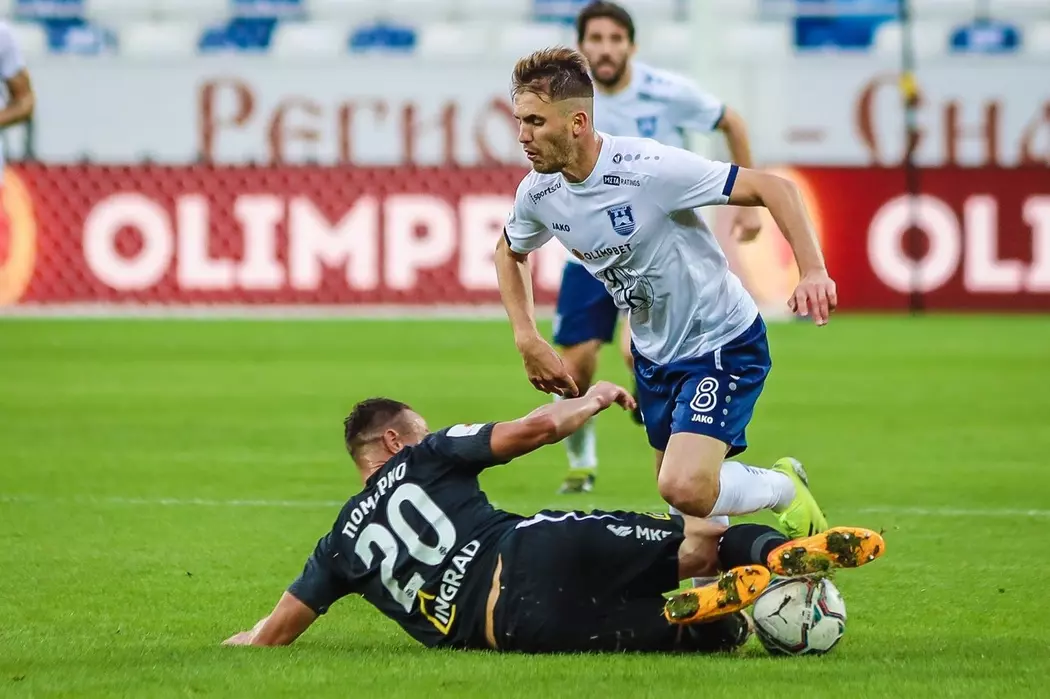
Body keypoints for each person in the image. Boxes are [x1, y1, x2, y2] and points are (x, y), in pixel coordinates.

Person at [223, 385, 884, 653]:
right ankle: (775, 552)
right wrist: (590, 399)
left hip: (514, 628)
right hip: (533, 549)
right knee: (701, 540)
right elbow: (530, 430)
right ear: (395, 441)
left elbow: (273, 633)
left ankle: (719, 618)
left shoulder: (338, 545)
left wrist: (239, 644)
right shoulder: (426, 455)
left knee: (698, 636)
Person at [494, 48, 838, 538]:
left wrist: (813, 271)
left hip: (720, 340)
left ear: (577, 122)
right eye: (519, 121)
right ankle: (723, 590)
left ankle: (783, 487)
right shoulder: (539, 193)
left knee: (683, 485)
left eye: (534, 121)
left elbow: (775, 188)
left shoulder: (649, 169)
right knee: (693, 528)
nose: (522, 136)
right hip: (654, 356)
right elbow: (509, 251)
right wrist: (527, 338)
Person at [551, 1, 763, 495]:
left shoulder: (666, 92)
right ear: (581, 46)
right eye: (596, 39)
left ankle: (679, 458)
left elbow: (731, 121)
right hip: (593, 252)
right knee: (573, 369)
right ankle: (582, 462)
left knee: (634, 350)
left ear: (632, 46)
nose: (605, 49)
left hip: (655, 253)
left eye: (615, 39)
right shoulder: (569, 101)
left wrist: (750, 206)